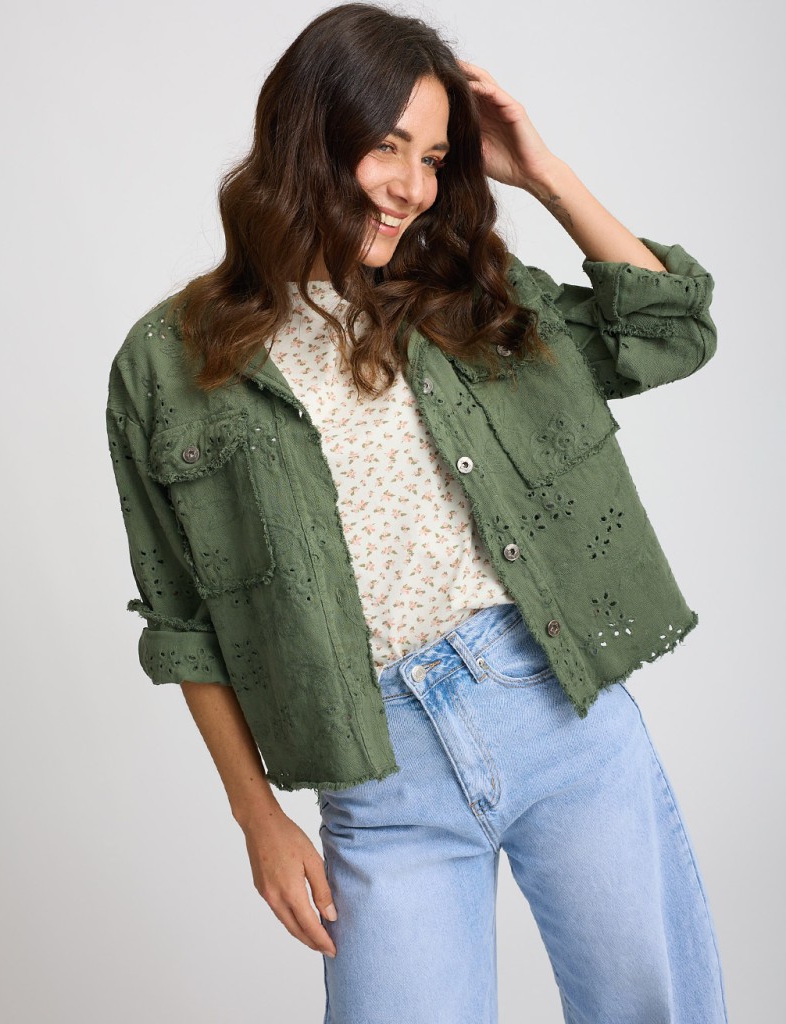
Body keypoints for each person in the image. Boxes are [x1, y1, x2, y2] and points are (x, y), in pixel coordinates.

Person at [105, 4, 729, 1021]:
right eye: (387, 146)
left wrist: (543, 173)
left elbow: (669, 327)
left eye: (434, 157)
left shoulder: (465, 298)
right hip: (380, 775)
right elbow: (182, 619)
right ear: (307, 137)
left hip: (559, 712)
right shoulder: (167, 364)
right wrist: (257, 817)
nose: (414, 186)